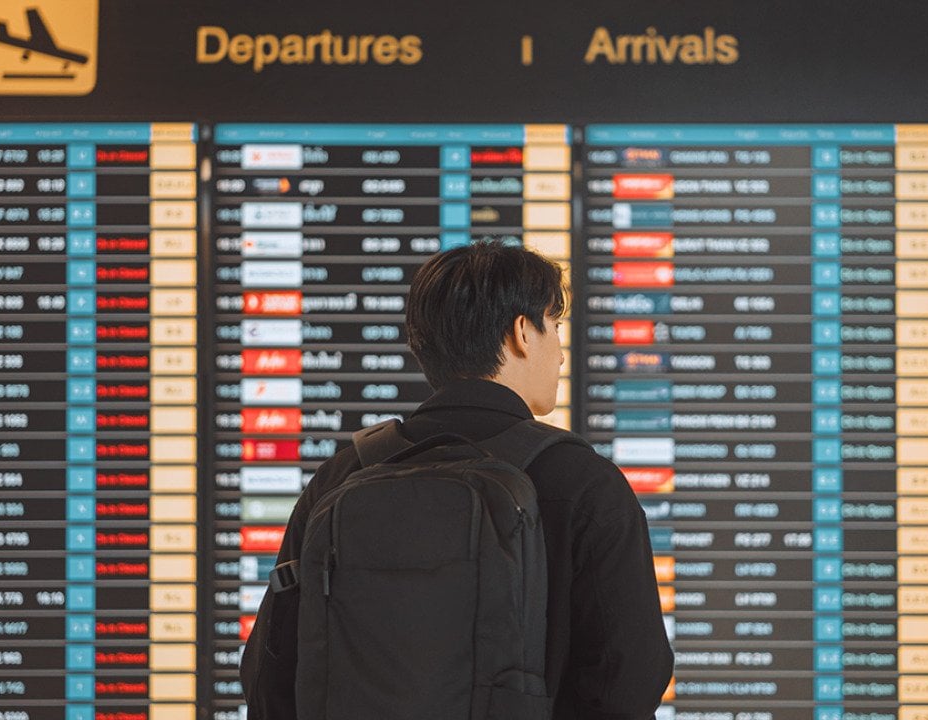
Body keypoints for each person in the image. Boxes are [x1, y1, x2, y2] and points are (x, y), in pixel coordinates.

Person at [240, 240, 673, 719]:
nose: (561, 354)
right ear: (522, 333)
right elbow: (630, 678)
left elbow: (269, 675)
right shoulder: (582, 480)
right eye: (555, 327)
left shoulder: (344, 475)